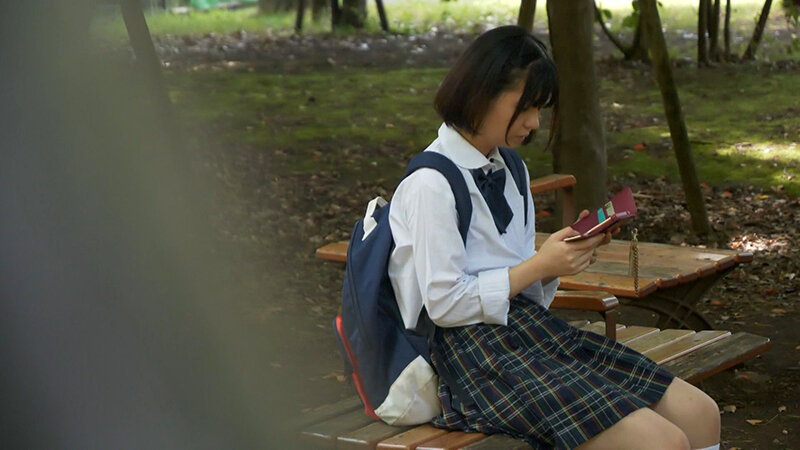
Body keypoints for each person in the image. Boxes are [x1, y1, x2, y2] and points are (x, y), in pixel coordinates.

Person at [387, 25, 720, 449]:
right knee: (662, 443)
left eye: (540, 108)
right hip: (471, 357)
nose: (534, 122)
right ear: (482, 93)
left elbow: (527, 291)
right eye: (525, 107)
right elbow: (445, 304)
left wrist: (558, 260)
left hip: (529, 330)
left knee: (700, 413)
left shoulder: (512, 168)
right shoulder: (430, 184)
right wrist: (538, 266)